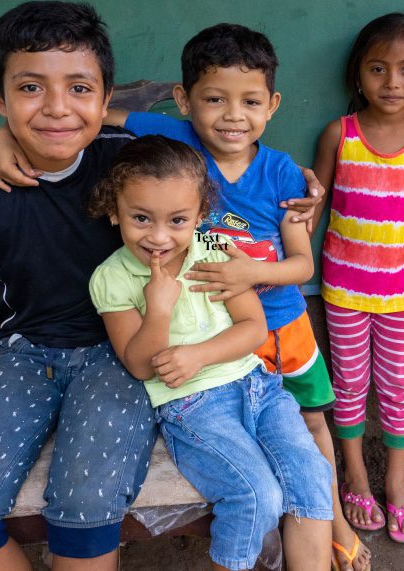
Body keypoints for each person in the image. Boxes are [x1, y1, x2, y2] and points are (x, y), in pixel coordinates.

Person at [0, 23, 368, 570]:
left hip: (276, 323)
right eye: (214, 99)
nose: (232, 115)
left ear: (272, 105)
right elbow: (86, 116)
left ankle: (334, 522)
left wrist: (248, 273)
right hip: (208, 363)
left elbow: (300, 264)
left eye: (249, 101)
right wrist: (5, 137)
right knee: (257, 478)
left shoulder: (280, 172)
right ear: (185, 101)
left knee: (309, 428)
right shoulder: (176, 146)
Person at [0, 0, 157, 570]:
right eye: (31, 88)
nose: (57, 108)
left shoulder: (135, 164)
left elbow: (220, 148)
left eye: (79, 88)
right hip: (24, 357)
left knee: (87, 505)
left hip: (122, 353)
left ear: (106, 96)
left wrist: (298, 193)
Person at [88, 135, 333, 571]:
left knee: (312, 476)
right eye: (141, 218)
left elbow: (254, 327)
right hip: (193, 407)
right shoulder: (113, 278)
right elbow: (141, 365)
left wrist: (199, 353)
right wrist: (158, 310)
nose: (159, 237)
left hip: (259, 387)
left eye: (178, 220)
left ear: (201, 215)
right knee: (256, 493)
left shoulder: (216, 252)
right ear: (114, 211)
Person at [312, 13, 404, 544]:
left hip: (401, 291)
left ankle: (395, 477)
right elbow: (313, 207)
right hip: (343, 288)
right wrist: (289, 268)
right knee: (348, 385)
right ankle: (356, 474)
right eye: (378, 69)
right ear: (357, 76)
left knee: (396, 387)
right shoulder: (338, 135)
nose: (392, 82)